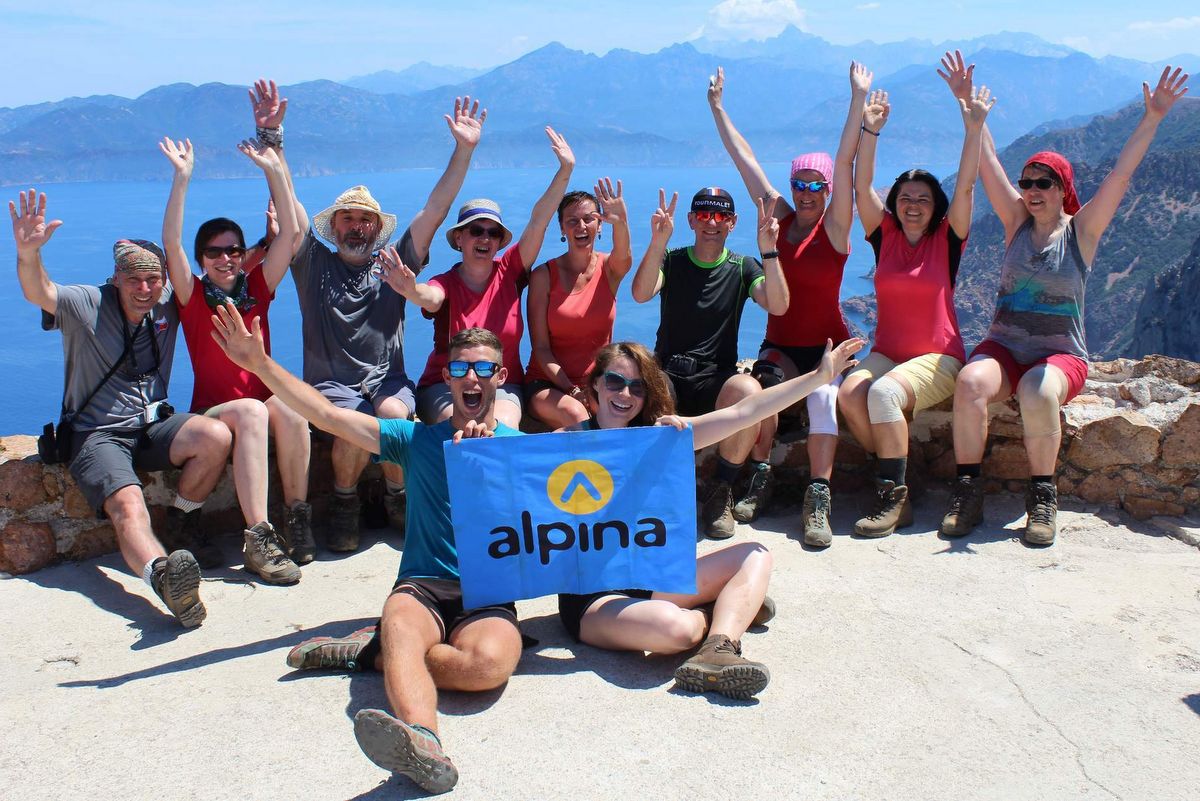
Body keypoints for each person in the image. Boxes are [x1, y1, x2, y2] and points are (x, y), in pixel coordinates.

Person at [212, 311, 521, 795]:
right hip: (421, 587)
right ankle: (424, 744)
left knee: (485, 668)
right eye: (461, 369)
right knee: (402, 628)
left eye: (484, 369)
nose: (472, 378)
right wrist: (260, 364)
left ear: (500, 377)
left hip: (487, 595)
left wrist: (491, 461)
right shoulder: (416, 440)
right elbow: (327, 415)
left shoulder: (521, 450)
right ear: (447, 376)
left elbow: (573, 509)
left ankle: (377, 653)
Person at [940, 64, 1189, 545]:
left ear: (1062, 189)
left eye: (1044, 183)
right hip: (1004, 347)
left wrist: (1153, 117)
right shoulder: (1015, 222)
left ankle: (1042, 497)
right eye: (1027, 182)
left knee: (1036, 391)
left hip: (1061, 356)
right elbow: (987, 162)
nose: (1032, 191)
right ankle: (967, 492)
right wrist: (967, 105)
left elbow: (1120, 175)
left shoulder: (1082, 232)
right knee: (970, 382)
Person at [556, 337, 863, 699]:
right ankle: (718, 610)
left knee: (755, 556)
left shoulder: (662, 436)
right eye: (615, 381)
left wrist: (818, 377)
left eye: (637, 386)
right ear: (596, 384)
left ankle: (719, 648)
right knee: (678, 631)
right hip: (593, 598)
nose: (625, 394)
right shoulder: (563, 443)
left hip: (653, 578)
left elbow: (744, 413)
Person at [271, 86, 490, 552]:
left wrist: (464, 150)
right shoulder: (313, 264)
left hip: (387, 381)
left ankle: (397, 496)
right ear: (335, 227)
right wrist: (274, 140)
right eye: (347, 219)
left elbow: (436, 210)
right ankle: (345, 502)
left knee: (394, 415)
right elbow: (290, 207)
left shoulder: (395, 262)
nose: (356, 227)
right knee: (353, 422)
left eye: (365, 220)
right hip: (331, 385)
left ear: (376, 229)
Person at [11, 190, 233, 627]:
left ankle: (182, 522)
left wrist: (269, 234)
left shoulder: (167, 302)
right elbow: (40, 290)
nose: (144, 289)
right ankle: (164, 578)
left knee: (216, 435)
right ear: (116, 278)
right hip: (97, 434)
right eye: (134, 280)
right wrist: (28, 253)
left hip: (152, 428)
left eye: (153, 280)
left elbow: (218, 267)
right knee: (129, 506)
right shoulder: (87, 304)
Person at [837, 53, 995, 539]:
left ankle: (893, 497)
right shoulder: (883, 235)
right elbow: (861, 183)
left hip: (939, 357)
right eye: (905, 198)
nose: (913, 205)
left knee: (882, 393)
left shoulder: (947, 240)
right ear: (895, 204)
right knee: (849, 393)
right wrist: (870, 129)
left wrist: (973, 127)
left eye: (923, 199)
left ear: (935, 208)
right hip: (889, 352)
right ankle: (895, 470)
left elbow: (966, 186)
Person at [707, 62, 866, 545]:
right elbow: (745, 161)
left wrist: (857, 100)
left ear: (828, 190)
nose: (808, 193)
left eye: (817, 186)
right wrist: (718, 109)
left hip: (827, 346)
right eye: (800, 184)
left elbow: (846, 163)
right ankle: (760, 476)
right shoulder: (779, 215)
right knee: (763, 393)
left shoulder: (835, 227)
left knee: (822, 398)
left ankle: (818, 498)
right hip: (781, 344)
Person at [159, 134, 310, 583]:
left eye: (233, 250)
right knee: (251, 411)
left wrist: (274, 170)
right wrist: (182, 178)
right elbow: (170, 242)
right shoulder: (192, 296)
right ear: (202, 259)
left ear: (244, 256)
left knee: (292, 407)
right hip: (215, 411)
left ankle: (297, 518)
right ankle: (258, 539)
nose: (225, 258)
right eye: (214, 252)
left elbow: (292, 234)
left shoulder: (257, 287)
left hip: (258, 404)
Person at [391, 127, 575, 429]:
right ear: (459, 238)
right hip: (446, 385)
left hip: (502, 386)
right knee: (461, 429)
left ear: (500, 241)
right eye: (476, 230)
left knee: (499, 429)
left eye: (493, 233)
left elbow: (538, 221)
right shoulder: (447, 283)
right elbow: (431, 298)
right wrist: (410, 290)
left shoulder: (511, 271)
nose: (485, 238)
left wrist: (565, 171)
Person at [631, 186, 788, 539]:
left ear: (732, 222)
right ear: (691, 220)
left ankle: (721, 491)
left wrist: (769, 250)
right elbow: (640, 293)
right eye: (703, 214)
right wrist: (658, 242)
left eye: (721, 215)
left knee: (749, 391)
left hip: (716, 379)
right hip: (669, 374)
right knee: (641, 387)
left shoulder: (743, 267)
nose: (712, 223)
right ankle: (656, 495)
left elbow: (778, 305)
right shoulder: (672, 260)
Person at [523, 178, 632, 428]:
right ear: (562, 228)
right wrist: (572, 390)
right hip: (548, 383)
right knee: (577, 415)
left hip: (597, 382)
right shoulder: (543, 276)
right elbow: (541, 349)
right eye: (572, 221)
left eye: (588, 219)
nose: (581, 226)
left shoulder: (609, 269)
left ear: (600, 225)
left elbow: (624, 257)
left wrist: (621, 222)